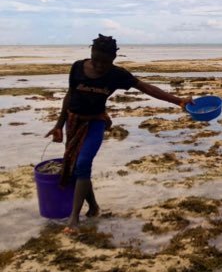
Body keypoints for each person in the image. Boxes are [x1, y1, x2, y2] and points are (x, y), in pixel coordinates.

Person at [45, 34, 192, 233]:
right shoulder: (77, 67)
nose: (99, 65)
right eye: (96, 60)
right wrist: (58, 124)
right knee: (78, 167)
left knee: (83, 163)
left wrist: (178, 101)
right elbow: (69, 95)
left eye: (104, 62)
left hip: (96, 122)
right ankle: (94, 207)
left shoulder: (117, 75)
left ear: (113, 60)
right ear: (91, 54)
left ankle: (73, 219)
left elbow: (146, 88)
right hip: (73, 122)